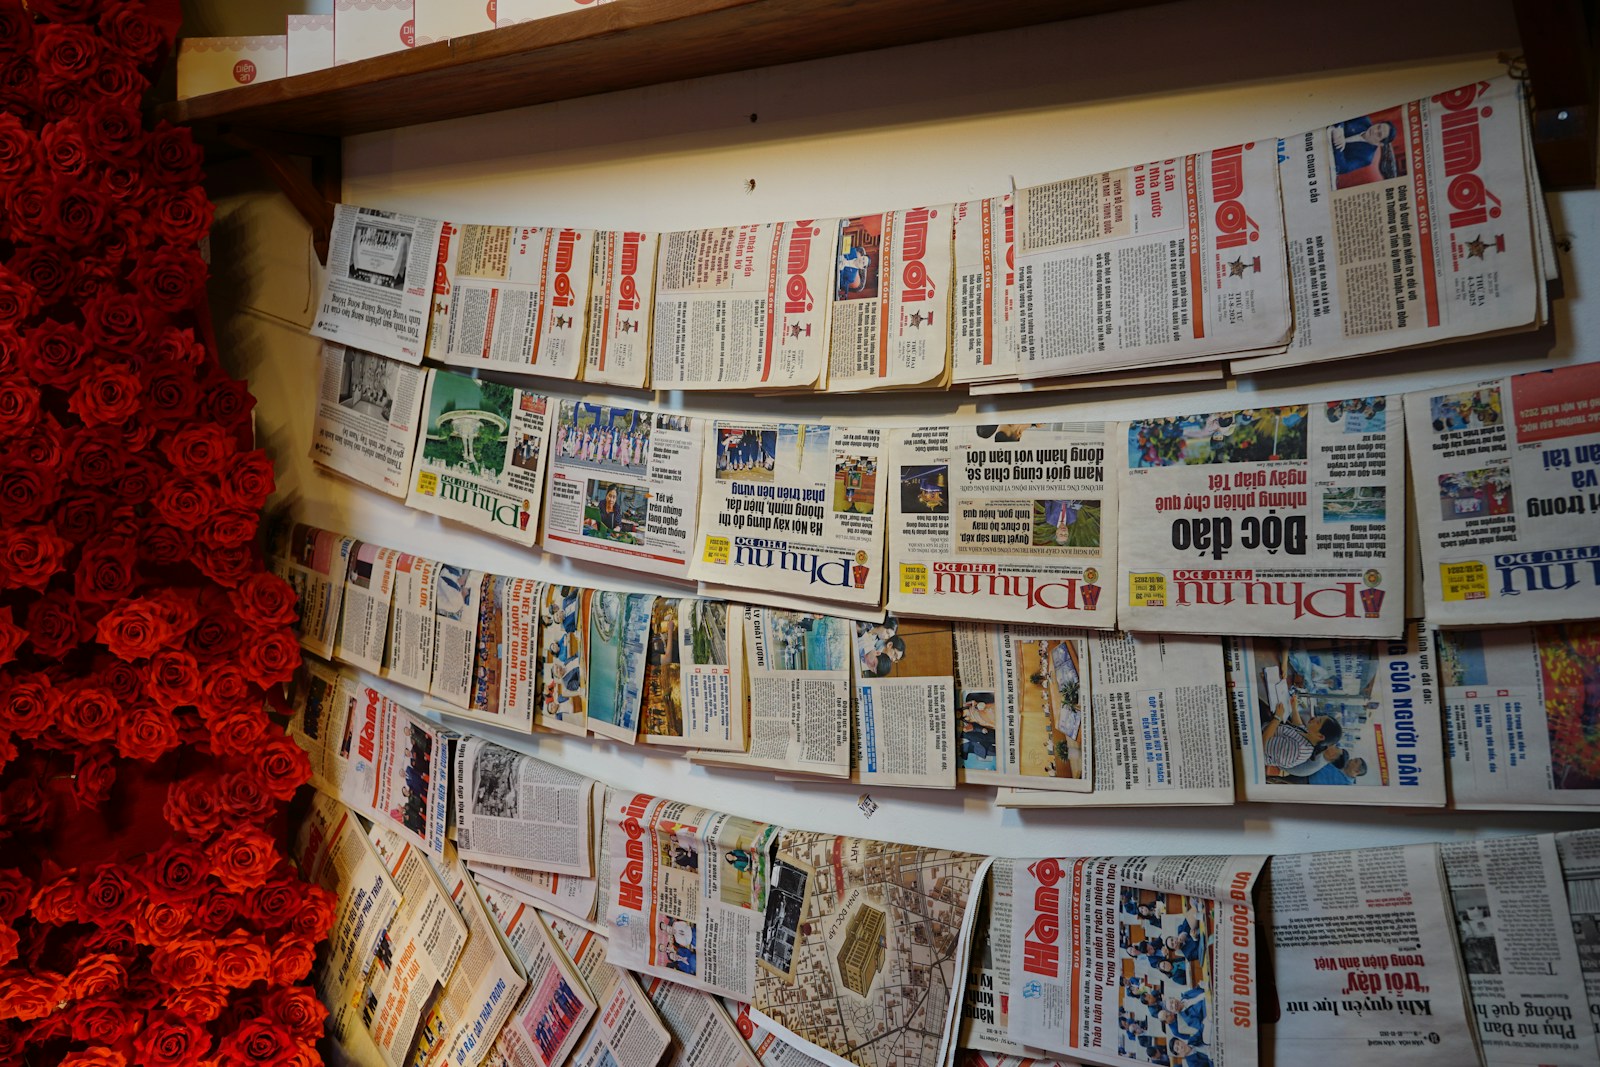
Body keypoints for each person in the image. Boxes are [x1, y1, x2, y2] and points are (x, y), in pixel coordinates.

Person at [1331, 116, 1400, 180]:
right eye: (1378, 127)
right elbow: (1341, 114)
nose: (1374, 131)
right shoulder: (1363, 119)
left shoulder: (1366, 158)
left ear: (1380, 143)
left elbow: (1343, 168)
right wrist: (1340, 128)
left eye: (1379, 134)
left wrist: (1338, 144)